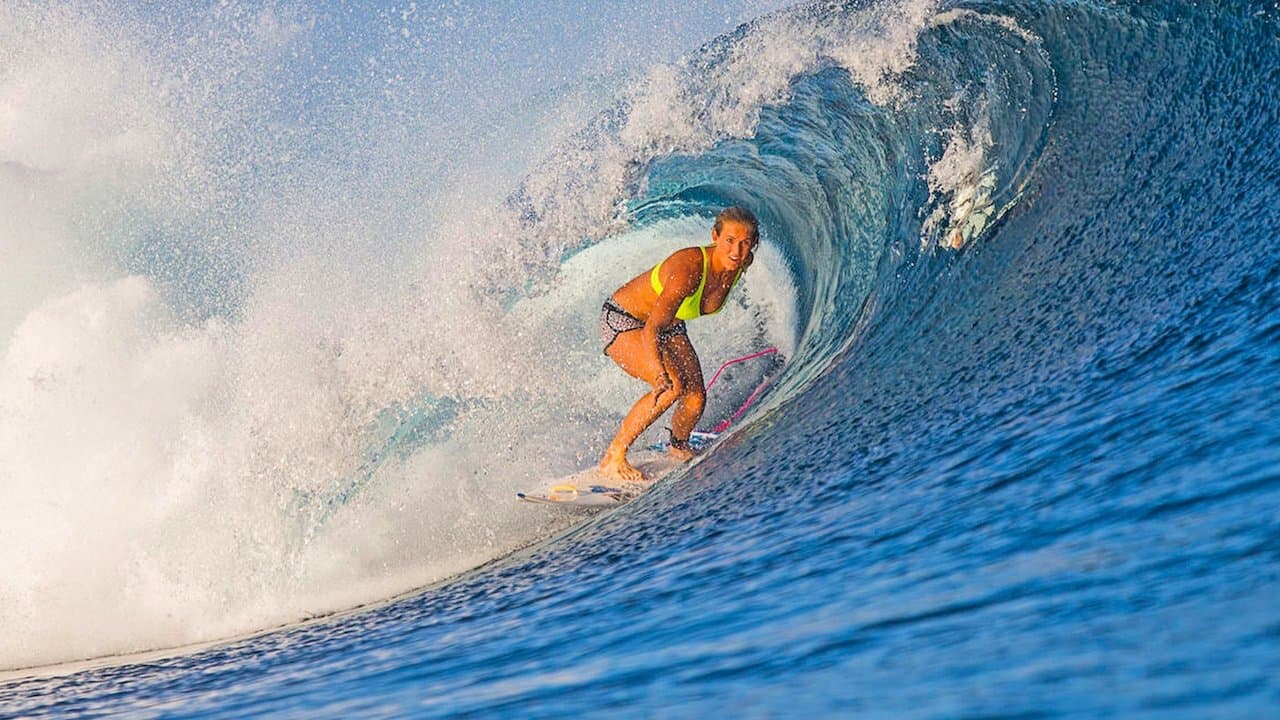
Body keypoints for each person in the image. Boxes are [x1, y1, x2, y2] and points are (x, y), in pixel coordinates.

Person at [597, 206, 760, 482]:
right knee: (671, 387)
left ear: (753, 244)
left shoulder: (741, 263)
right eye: (730, 241)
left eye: (745, 243)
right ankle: (613, 455)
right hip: (624, 319)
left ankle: (678, 446)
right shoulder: (689, 268)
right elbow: (651, 329)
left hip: (668, 323)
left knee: (696, 397)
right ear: (714, 236)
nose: (737, 250)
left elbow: (665, 321)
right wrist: (658, 371)